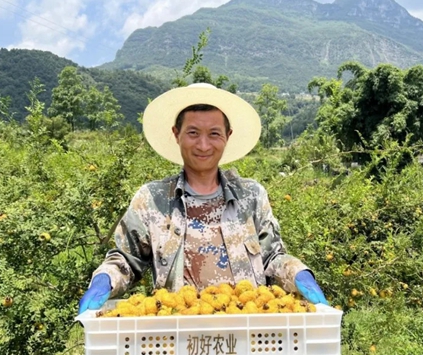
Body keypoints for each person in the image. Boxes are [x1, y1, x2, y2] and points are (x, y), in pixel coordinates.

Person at [78, 83, 327, 313]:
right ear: (176, 134)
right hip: (177, 338)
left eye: (214, 134)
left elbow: (272, 257)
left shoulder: (251, 196)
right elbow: (125, 260)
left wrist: (298, 273)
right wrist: (105, 280)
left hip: (247, 336)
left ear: (228, 136)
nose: (204, 145)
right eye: (193, 132)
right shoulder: (152, 200)